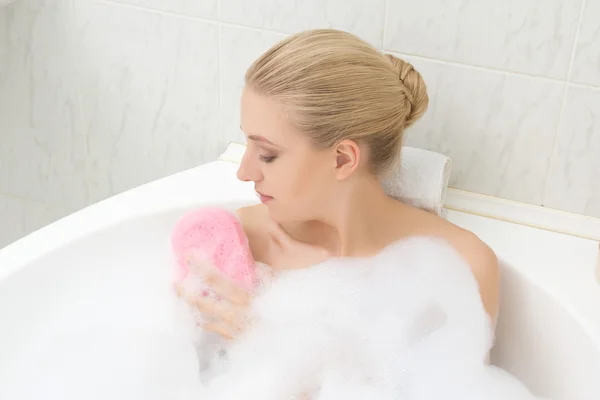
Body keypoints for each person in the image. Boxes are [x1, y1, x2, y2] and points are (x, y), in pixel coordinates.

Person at [176, 28, 499, 343]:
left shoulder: (458, 271)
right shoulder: (229, 247)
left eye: (267, 154)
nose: (244, 173)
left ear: (343, 159)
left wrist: (268, 344)